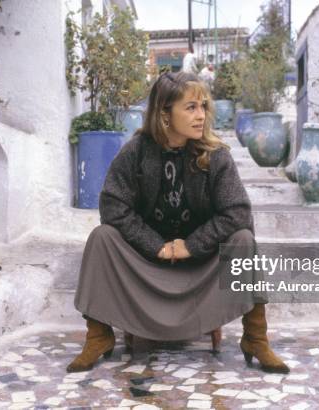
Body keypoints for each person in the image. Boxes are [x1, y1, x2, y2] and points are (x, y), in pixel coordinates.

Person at [67, 71, 289, 374]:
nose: (201, 116)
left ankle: (255, 338)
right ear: (164, 113)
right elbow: (112, 206)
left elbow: (237, 212)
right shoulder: (135, 152)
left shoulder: (216, 155)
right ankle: (98, 336)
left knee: (242, 238)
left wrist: (191, 246)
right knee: (102, 237)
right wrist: (156, 246)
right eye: (191, 107)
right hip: (148, 267)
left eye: (204, 107)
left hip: (200, 268)